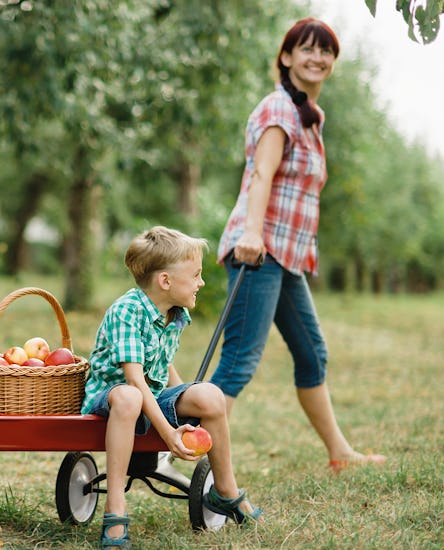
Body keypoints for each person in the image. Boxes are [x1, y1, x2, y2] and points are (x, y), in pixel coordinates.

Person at [210, 17, 385, 473]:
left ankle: (340, 454)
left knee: (312, 353)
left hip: (286, 258)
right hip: (258, 251)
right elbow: (262, 174)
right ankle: (185, 452)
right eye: (307, 49)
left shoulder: (310, 117)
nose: (318, 57)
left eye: (326, 51)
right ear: (286, 57)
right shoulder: (278, 109)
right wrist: (252, 233)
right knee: (239, 361)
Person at [82, 226, 262, 550]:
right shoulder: (127, 311)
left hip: (147, 394)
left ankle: (226, 491)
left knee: (210, 394)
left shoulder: (174, 314)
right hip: (112, 396)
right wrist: (169, 434)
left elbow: (162, 365)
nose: (201, 282)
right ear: (165, 281)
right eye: (195, 275)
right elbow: (134, 379)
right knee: (130, 395)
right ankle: (115, 508)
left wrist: (186, 399)